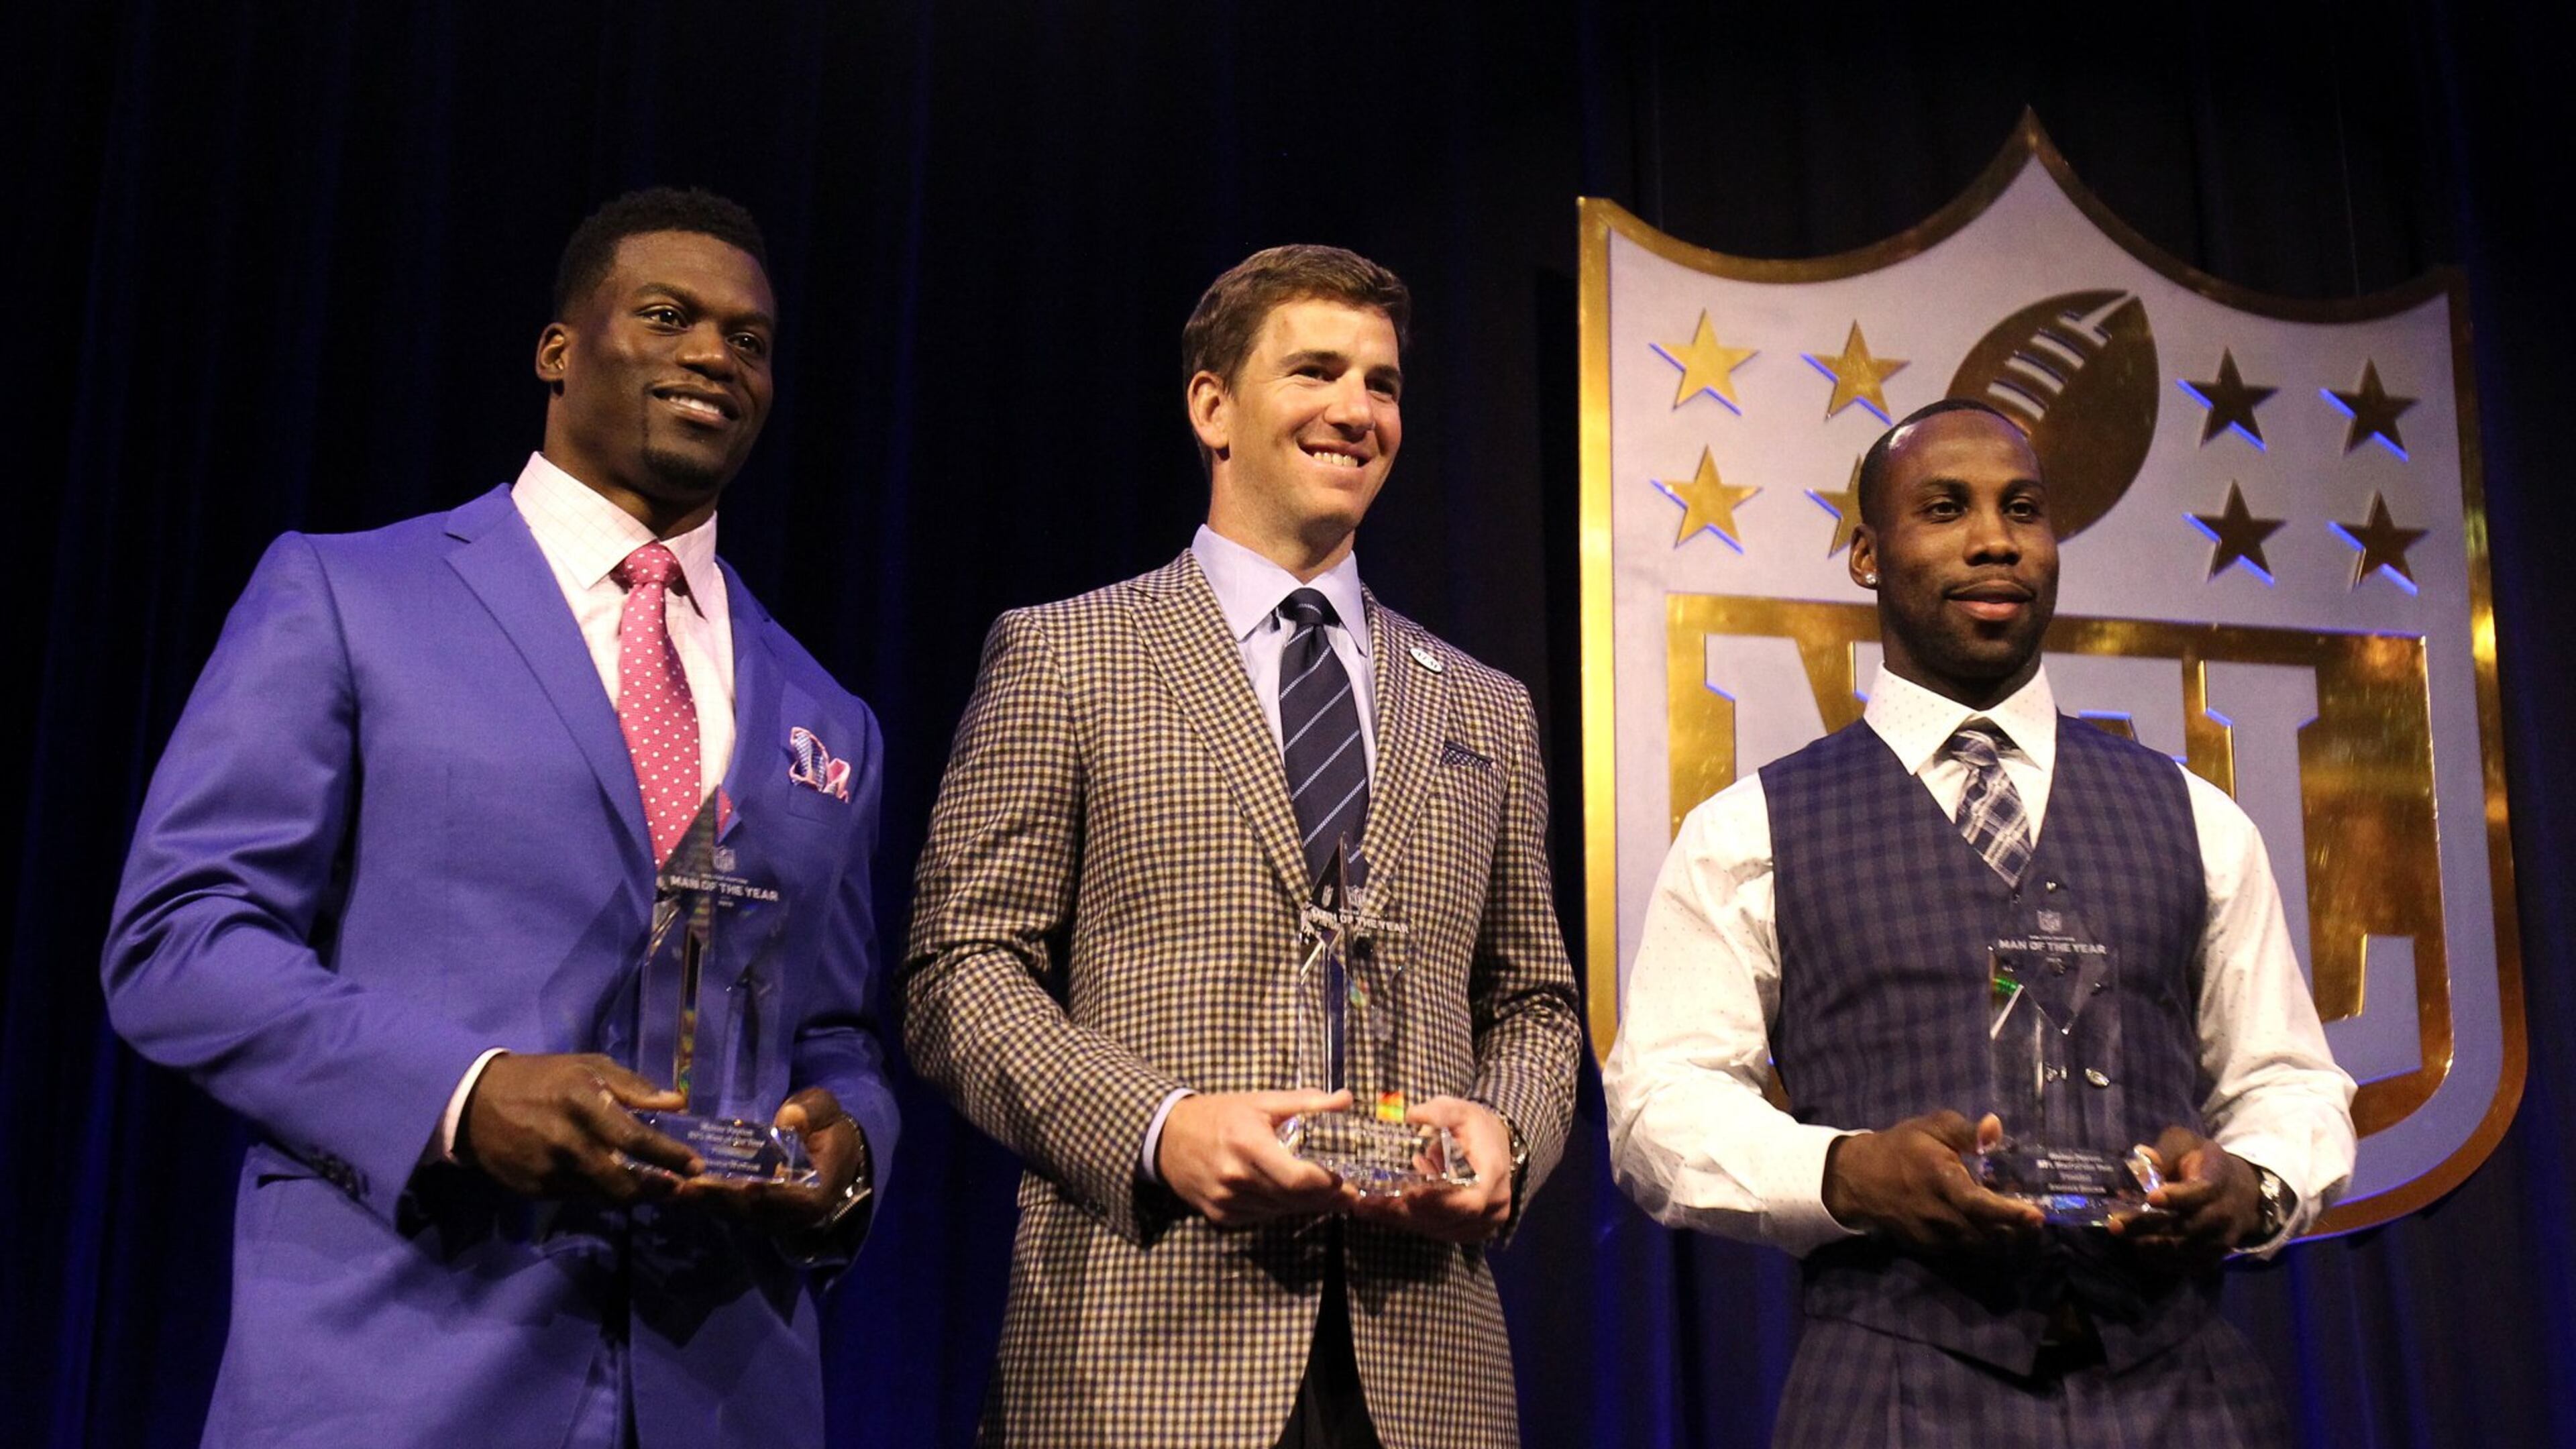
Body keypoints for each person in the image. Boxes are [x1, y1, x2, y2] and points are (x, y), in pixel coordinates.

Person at [101, 186, 897, 1448]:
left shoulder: (828, 713)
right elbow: (181, 940)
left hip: (722, 1388)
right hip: (397, 1365)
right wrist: (464, 1095)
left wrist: (844, 1155)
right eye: (667, 316)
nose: (713, 356)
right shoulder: (349, 595)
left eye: (749, 341)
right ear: (558, 350)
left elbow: (841, 1034)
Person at [904, 245, 1583, 1449]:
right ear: (1211, 407)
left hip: (1426, 1368)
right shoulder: (1069, 656)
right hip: (1139, 1350)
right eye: (1314, 371)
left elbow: (1534, 998)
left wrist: (1509, 1136)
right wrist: (1161, 1128)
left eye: (1381, 383)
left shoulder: (1485, 706)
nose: (1355, 410)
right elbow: (960, 976)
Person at [1604, 398, 2357, 1446]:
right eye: (1946, 508)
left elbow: (2287, 1081)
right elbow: (1659, 1112)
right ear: (1868, 554)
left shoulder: (2196, 816)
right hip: (1890, 1392)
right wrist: (1846, 1173)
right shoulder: (1751, 830)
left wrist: (2257, 1186)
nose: (1996, 539)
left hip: (2182, 1390)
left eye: (2025, 509)